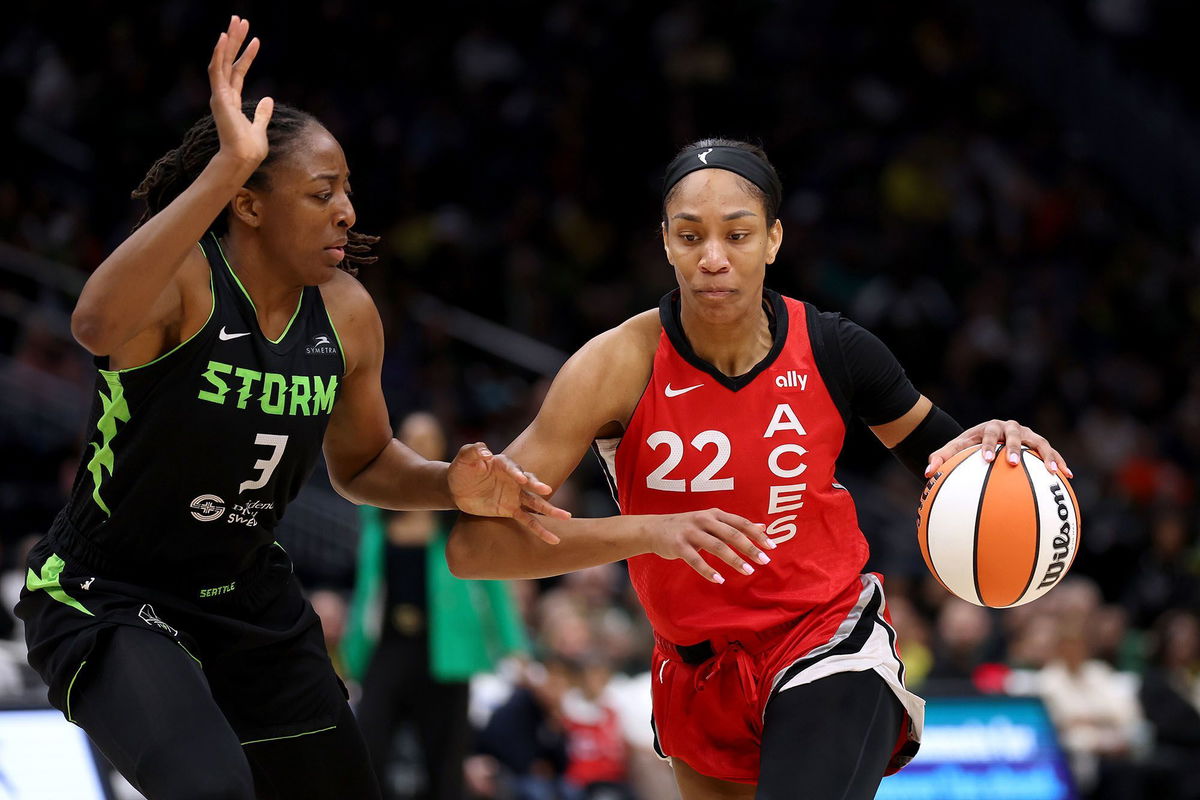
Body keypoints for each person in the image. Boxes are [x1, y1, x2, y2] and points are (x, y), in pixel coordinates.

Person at [14, 18, 565, 800]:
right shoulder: (186, 283)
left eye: (346, 189)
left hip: (245, 595)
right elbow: (94, 325)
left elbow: (366, 463)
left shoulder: (347, 313)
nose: (346, 209)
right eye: (320, 191)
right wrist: (225, 164)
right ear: (248, 204)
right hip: (110, 589)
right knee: (213, 790)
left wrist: (448, 484)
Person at [447, 139, 1073, 799]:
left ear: (773, 239)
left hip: (825, 641)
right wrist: (649, 532)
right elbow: (472, 546)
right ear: (665, 242)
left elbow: (946, 462)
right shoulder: (611, 369)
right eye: (690, 236)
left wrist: (993, 449)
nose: (713, 258)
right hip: (694, 673)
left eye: (738, 234)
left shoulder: (836, 349)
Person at [344, 411, 531, 800]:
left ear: (442, 448)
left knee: (445, 765)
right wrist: (352, 645)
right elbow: (365, 588)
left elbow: (493, 585)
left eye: (428, 439)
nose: (420, 445)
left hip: (448, 653)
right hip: (389, 648)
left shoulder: (461, 515)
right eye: (410, 437)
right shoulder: (376, 512)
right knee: (367, 749)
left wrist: (515, 645)